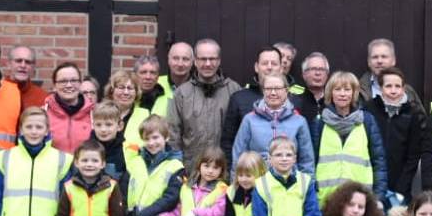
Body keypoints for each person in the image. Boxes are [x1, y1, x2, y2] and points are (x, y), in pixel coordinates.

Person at [312, 71, 389, 202]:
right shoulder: (320, 123)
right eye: (337, 89)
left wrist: (378, 197)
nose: (342, 94)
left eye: (347, 89)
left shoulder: (367, 121)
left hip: (360, 201)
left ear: (354, 93)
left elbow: (379, 162)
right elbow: (310, 162)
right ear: (330, 93)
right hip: (326, 200)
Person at [166, 38, 242, 166]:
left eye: (212, 59)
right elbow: (173, 135)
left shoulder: (233, 90)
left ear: (219, 61)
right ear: (195, 61)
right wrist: (177, 168)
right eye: (202, 59)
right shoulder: (182, 93)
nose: (207, 64)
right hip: (191, 170)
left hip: (224, 170)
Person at [223, 47, 311, 156]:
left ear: (281, 68)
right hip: (252, 170)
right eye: (265, 63)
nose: (269, 67)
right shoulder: (239, 98)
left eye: (274, 63)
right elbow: (228, 142)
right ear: (256, 67)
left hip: (287, 170)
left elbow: (305, 149)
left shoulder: (296, 101)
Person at [367, 66, 432, 200]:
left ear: (403, 88)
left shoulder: (412, 113)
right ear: (380, 88)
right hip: (371, 179)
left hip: (400, 183)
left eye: (397, 86)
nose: (393, 90)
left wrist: (403, 186)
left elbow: (413, 155)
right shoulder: (369, 109)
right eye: (388, 86)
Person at [232, 72, 316, 173]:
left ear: (286, 90)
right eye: (268, 89)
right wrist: (236, 185)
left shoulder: (299, 121)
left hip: (289, 184)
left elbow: (307, 161)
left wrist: (308, 186)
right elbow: (238, 156)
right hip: (256, 183)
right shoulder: (249, 120)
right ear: (263, 91)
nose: (273, 93)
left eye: (277, 89)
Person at [98, 70, 149, 181]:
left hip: (133, 177)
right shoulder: (99, 113)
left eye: (130, 88)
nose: (126, 92)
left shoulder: (145, 116)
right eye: (121, 87)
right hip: (101, 174)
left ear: (136, 93)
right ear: (112, 91)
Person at [40, 62, 94, 154]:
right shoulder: (42, 114)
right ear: (54, 86)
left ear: (80, 84)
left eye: (73, 80)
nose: (69, 85)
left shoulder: (94, 113)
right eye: (63, 81)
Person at [9, 46, 50, 112]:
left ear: (33, 67)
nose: (23, 65)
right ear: (9, 64)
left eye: (28, 62)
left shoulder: (43, 97)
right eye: (18, 61)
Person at [133, 55, 171, 120]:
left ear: (158, 76)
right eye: (143, 72)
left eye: (153, 73)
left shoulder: (169, 99)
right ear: (135, 75)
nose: (148, 77)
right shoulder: (127, 98)